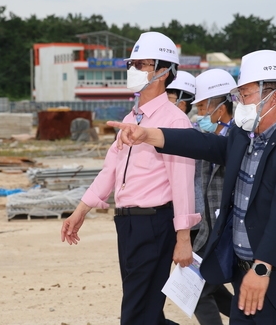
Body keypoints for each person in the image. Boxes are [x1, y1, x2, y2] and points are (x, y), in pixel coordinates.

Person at [108, 50, 276, 324]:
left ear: (273, 96)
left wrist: (261, 269)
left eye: (244, 95)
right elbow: (204, 144)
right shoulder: (244, 138)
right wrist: (148, 134)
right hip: (244, 275)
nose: (239, 103)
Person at [60, 31, 200, 325]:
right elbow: (110, 168)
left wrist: (183, 238)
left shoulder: (175, 121)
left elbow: (183, 183)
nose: (133, 71)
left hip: (153, 223)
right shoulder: (132, 117)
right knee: (146, 310)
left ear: (163, 72)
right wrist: (81, 209)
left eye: (142, 64)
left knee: (137, 313)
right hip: (128, 223)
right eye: (131, 64)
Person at [190, 68, 236, 324]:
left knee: (199, 289)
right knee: (208, 286)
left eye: (203, 106)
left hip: (229, 230)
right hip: (208, 229)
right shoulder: (205, 137)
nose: (199, 114)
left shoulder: (240, 139)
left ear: (220, 107)